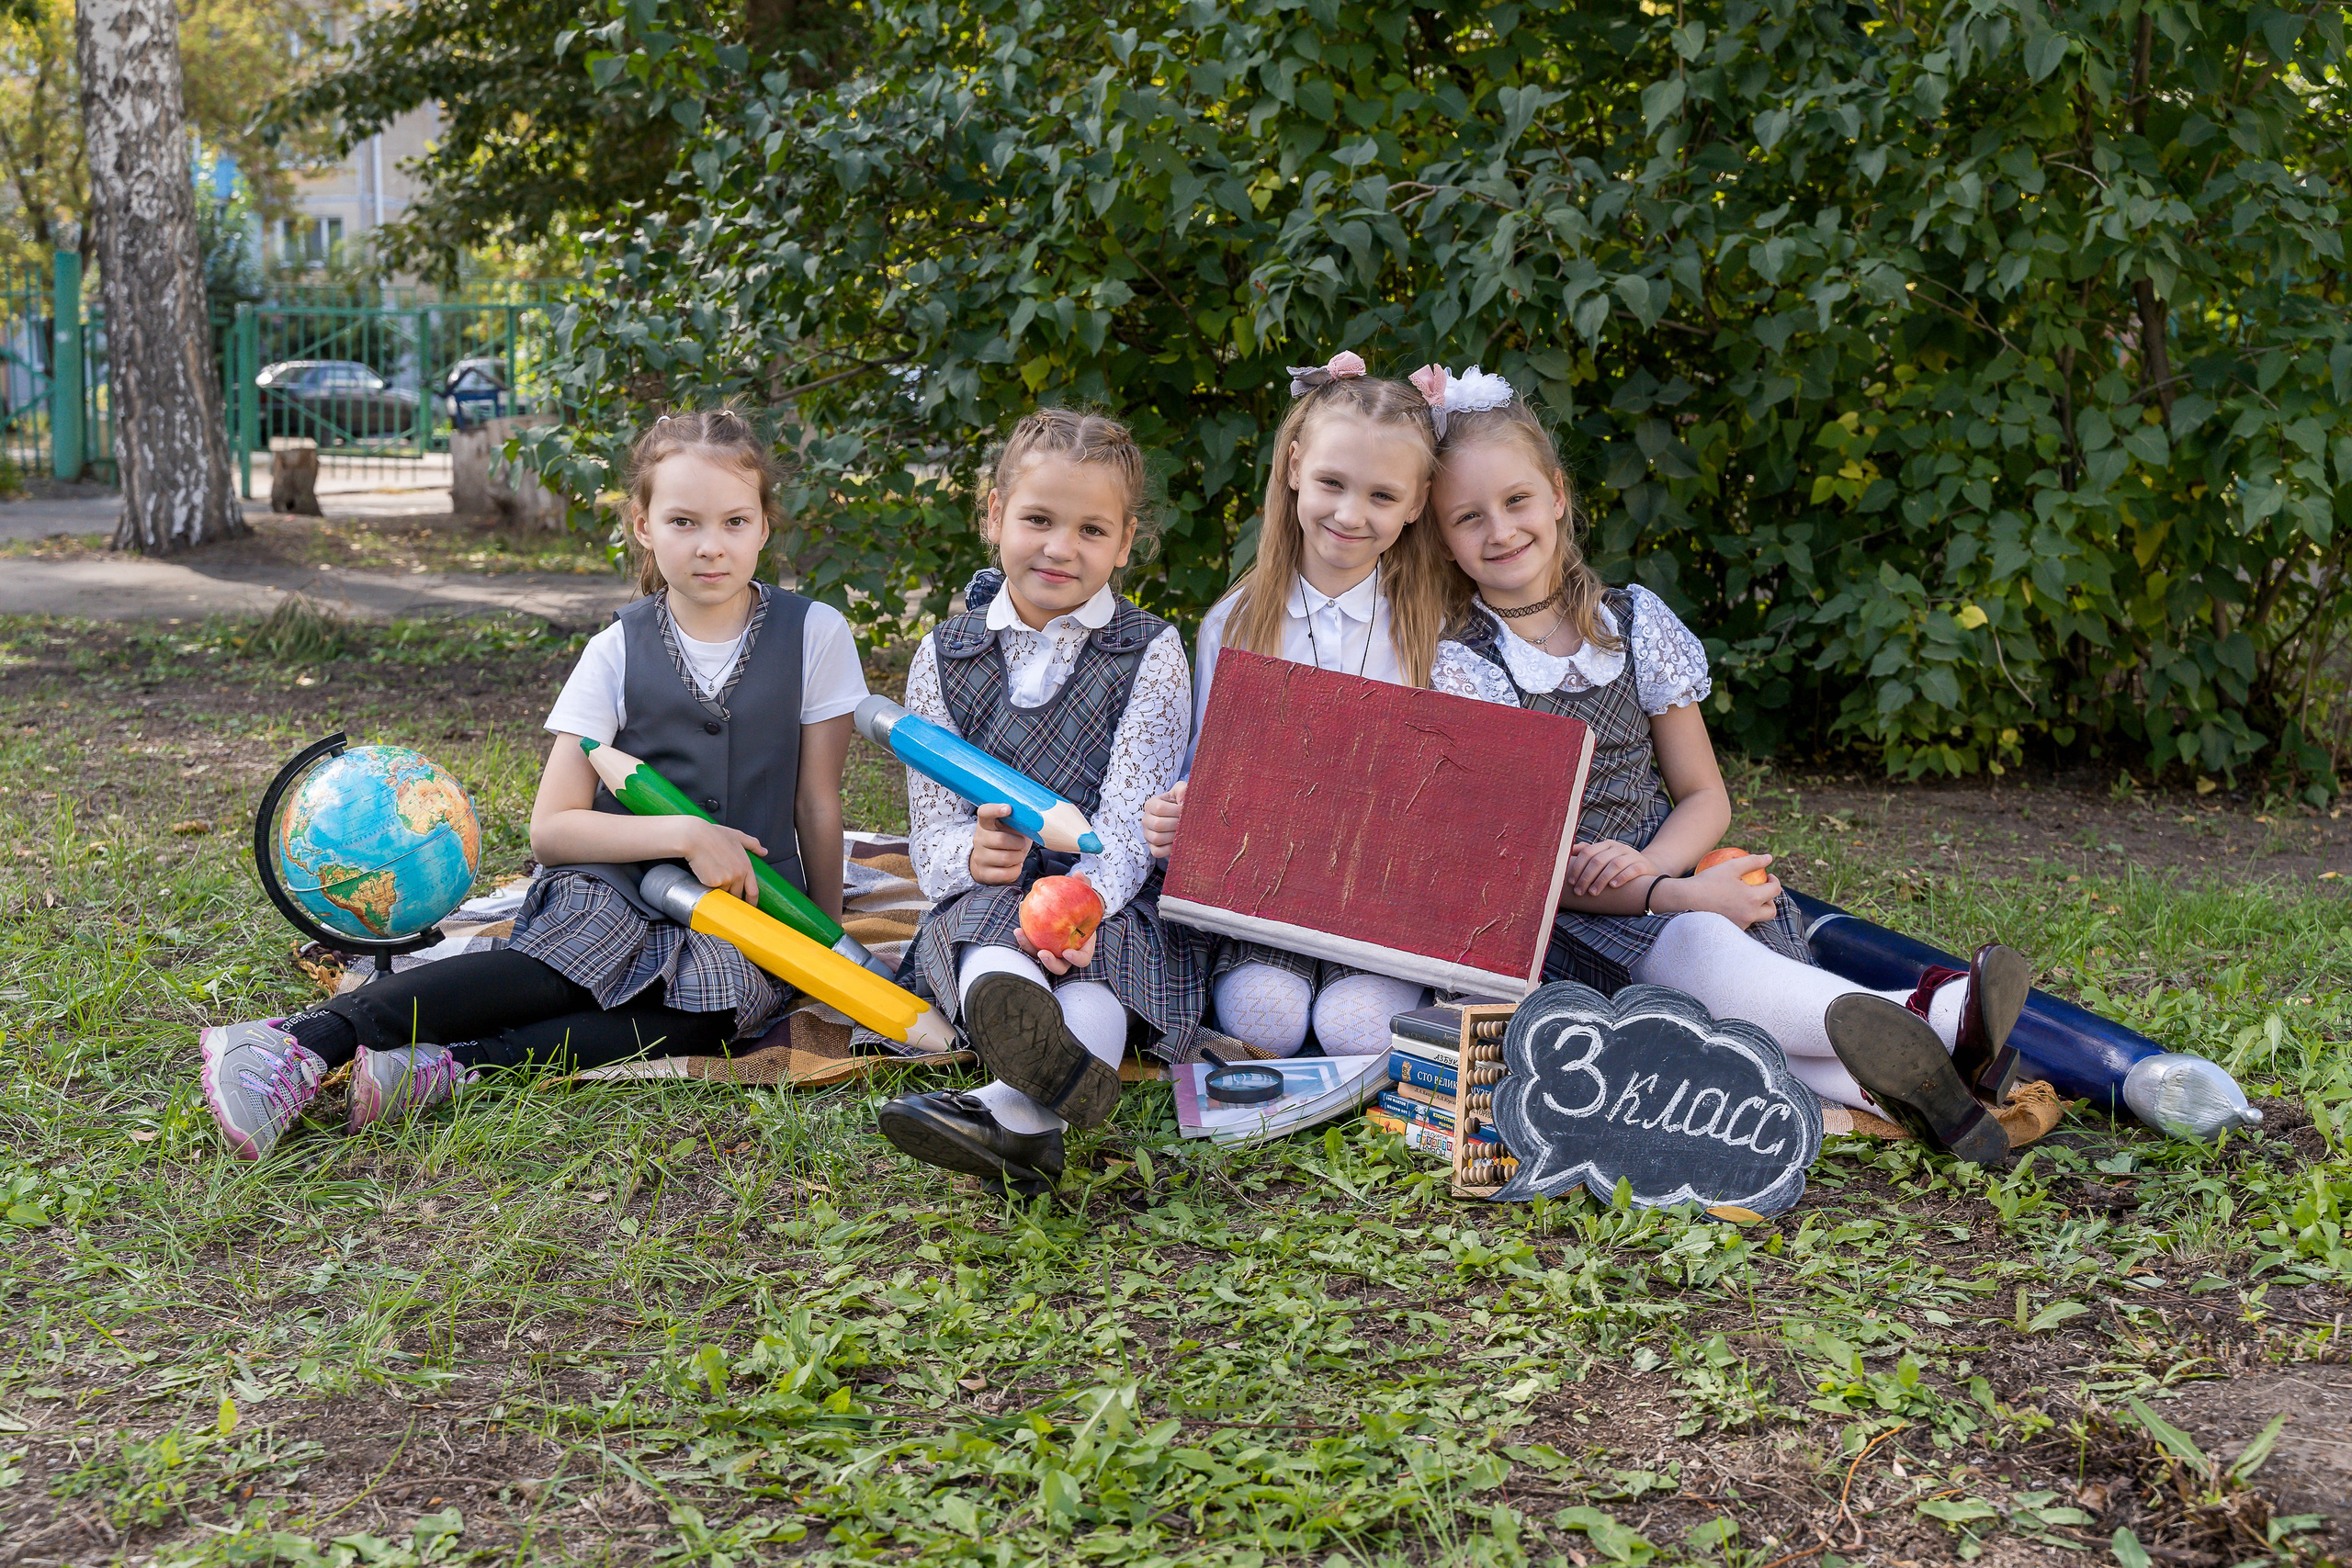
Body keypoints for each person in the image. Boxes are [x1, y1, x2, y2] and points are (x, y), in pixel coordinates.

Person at [200, 408, 870, 1159]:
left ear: (764, 527)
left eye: (734, 520)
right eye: (683, 521)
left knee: (712, 1014)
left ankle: (446, 1067)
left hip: (749, 900)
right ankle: (301, 1042)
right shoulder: (617, 649)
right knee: (570, 970)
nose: (711, 545)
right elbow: (552, 828)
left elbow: (818, 800)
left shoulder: (815, 634)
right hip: (616, 876)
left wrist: (827, 941)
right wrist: (683, 833)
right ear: (645, 527)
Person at [1416, 365, 2026, 1164]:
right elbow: (1521, 863)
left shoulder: (1633, 623)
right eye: (1469, 517)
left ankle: (1919, 1095)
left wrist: (1661, 867)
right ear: (1443, 539)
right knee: (1702, 945)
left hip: (1670, 868)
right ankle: (1937, 1015)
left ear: (1559, 495)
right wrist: (1674, 895)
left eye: (1517, 500)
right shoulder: (1465, 664)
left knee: (1728, 969)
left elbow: (1704, 793)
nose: (1500, 529)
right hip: (1564, 915)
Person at [874, 409, 1199, 1196]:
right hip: (997, 891)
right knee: (989, 925)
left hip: (1106, 894)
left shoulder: (1149, 650)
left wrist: (1082, 906)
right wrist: (972, 855)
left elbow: (1125, 825)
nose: (1060, 547)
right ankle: (1033, 1116)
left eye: (1091, 530)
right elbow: (933, 835)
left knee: (1104, 969)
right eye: (1039, 520)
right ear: (995, 516)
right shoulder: (944, 655)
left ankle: (1009, 1112)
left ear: (1125, 543)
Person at [1138, 352, 1454, 1058]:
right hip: (1265, 895)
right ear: (1291, 468)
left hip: (1379, 901)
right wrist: (1182, 807)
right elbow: (1209, 770)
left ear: (1416, 502)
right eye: (1331, 483)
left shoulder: (1433, 629)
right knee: (1266, 1023)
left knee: (1357, 1031)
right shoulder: (1239, 621)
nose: (1350, 514)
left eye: (1380, 496)